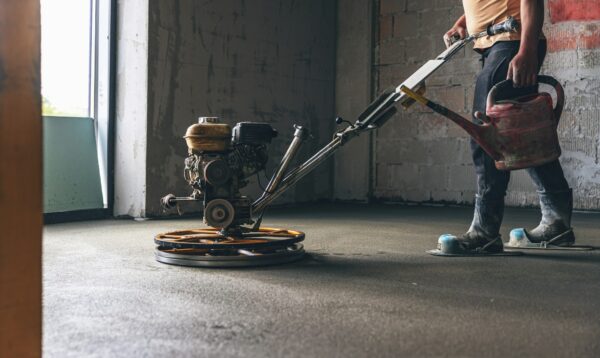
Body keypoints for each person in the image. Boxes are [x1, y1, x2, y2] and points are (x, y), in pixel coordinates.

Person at [443, 0, 574, 252]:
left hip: (513, 42)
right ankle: (557, 222)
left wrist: (527, 50)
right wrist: (463, 23)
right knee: (523, 134)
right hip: (498, 43)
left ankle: (484, 231)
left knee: (487, 135)